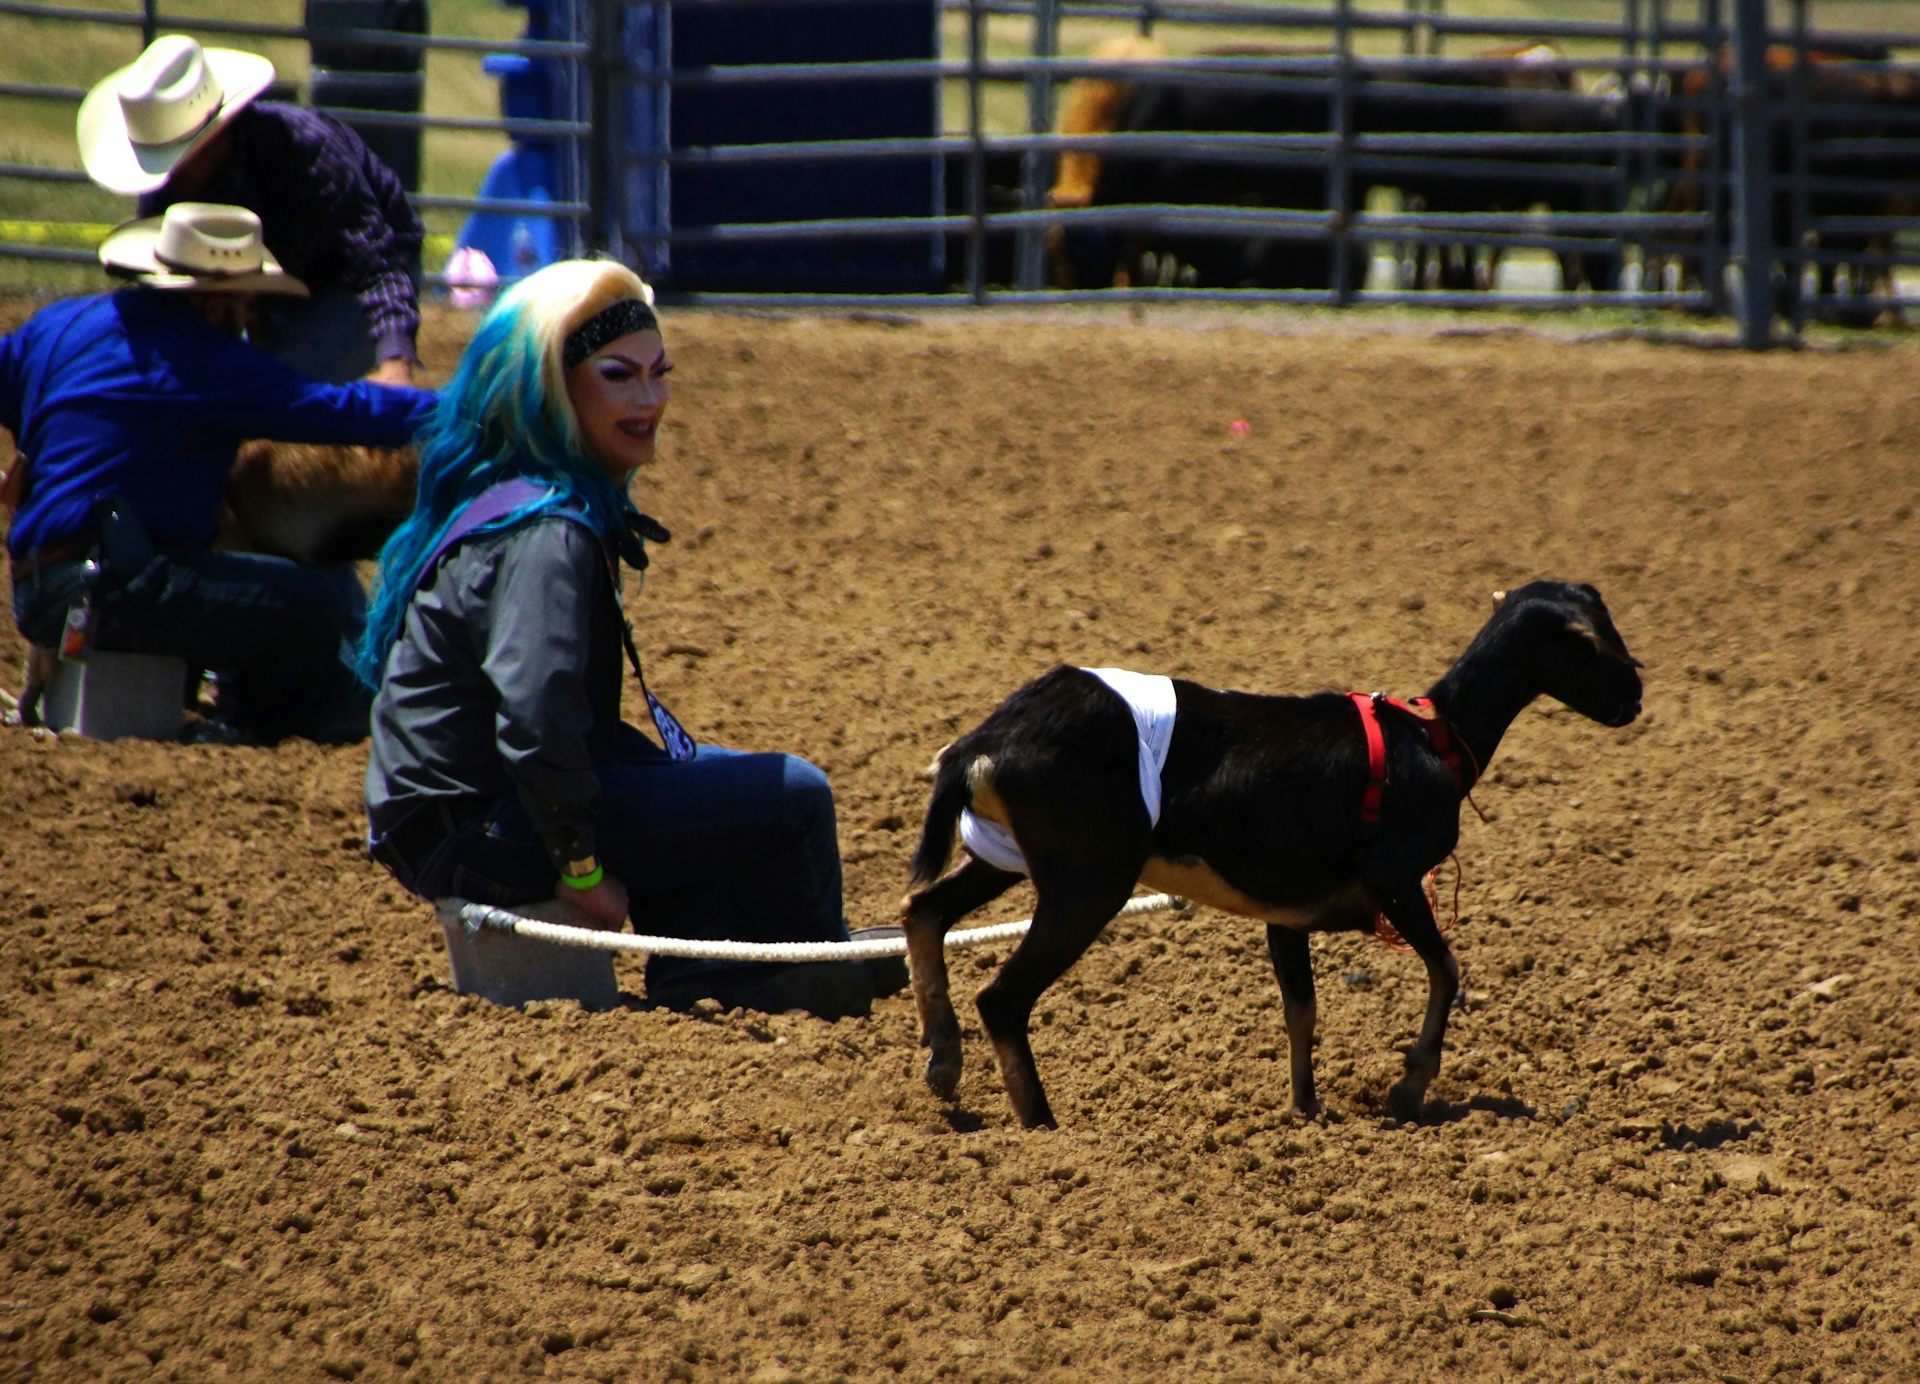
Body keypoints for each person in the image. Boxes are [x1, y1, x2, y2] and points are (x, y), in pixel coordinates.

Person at [359, 258, 901, 1019]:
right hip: (481, 827)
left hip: (456, 816)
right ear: (551, 388)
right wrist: (579, 871)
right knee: (795, 795)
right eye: (619, 376)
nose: (650, 400)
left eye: (658, 373)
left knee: (695, 774)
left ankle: (722, 962)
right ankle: (795, 965)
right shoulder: (550, 530)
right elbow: (539, 722)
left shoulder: (515, 492)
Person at [1, 202, 437, 743]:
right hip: (117, 588)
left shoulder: (59, 325)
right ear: (214, 305)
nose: (248, 324)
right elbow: (341, 411)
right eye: (245, 306)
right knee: (316, 603)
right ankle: (252, 728)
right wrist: (468, 408)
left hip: (36, 589)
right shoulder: (204, 359)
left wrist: (41, 451)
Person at [78, 33, 426, 386]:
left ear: (217, 135)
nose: (167, 177)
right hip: (263, 294)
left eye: (175, 160)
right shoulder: (168, 189)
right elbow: (160, 286)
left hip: (341, 287)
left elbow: (378, 266)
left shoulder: (307, 152)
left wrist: (395, 362)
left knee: (277, 390)